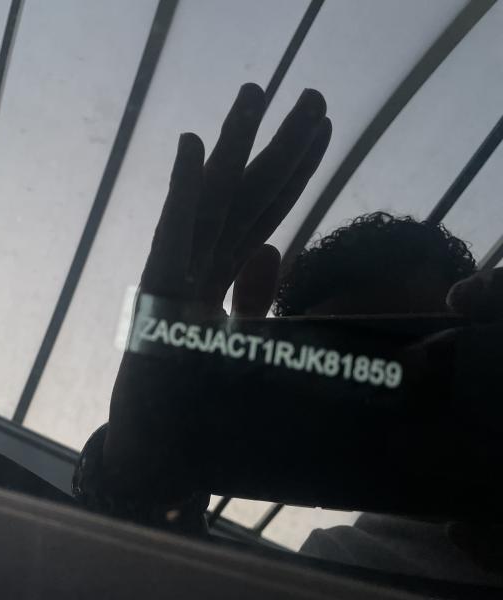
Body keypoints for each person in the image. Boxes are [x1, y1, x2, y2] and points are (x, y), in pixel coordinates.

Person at [72, 83, 503, 584]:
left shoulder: (344, 563)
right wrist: (138, 489)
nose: (394, 422)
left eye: (437, 364)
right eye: (344, 384)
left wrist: (137, 497)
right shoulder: (345, 563)